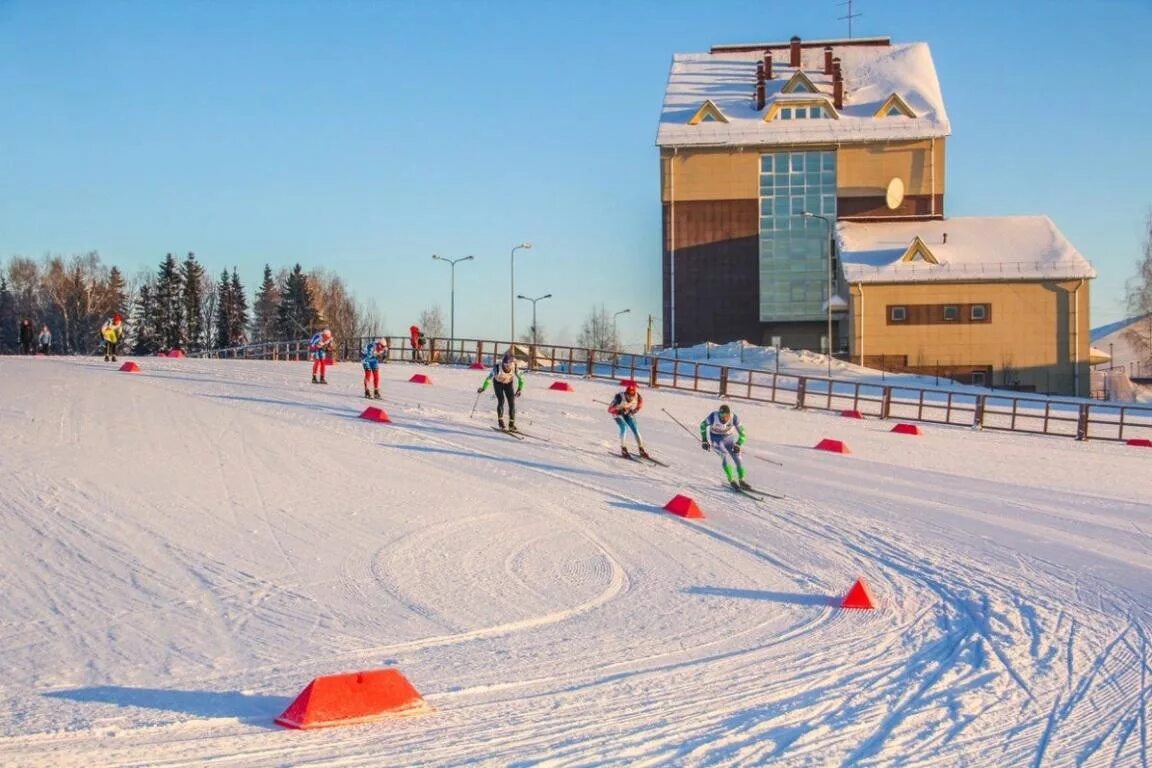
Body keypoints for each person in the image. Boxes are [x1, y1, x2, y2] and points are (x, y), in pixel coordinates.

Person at [700, 403, 751, 491]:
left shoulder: (734, 418)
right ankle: (731, 480)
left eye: (725, 416)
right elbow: (703, 426)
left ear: (729, 414)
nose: (723, 418)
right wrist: (704, 440)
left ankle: (741, 480)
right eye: (721, 416)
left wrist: (738, 444)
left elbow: (743, 434)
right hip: (717, 440)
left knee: (737, 457)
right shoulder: (713, 416)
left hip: (729, 439)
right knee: (724, 455)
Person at [477, 351, 524, 431]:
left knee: (512, 402)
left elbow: (521, 379)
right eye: (505, 365)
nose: (507, 367)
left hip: (508, 383)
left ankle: (511, 424)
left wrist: (519, 389)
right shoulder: (497, 368)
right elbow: (489, 378)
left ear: (511, 363)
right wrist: (484, 388)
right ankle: (501, 422)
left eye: (508, 365)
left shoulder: (514, 367)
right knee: (501, 400)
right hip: (498, 383)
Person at [609, 380, 649, 458]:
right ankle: (623, 449)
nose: (631, 395)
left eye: (633, 392)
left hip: (628, 413)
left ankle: (641, 449)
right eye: (629, 392)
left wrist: (632, 412)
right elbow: (610, 409)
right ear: (626, 391)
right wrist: (618, 410)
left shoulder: (638, 397)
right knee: (624, 428)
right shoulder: (619, 397)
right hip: (617, 414)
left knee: (635, 429)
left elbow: (639, 407)